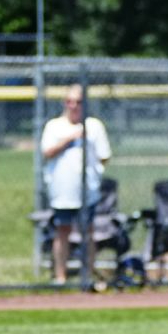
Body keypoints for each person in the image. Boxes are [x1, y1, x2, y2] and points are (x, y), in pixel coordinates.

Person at [40, 86, 113, 286]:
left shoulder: (94, 126)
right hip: (63, 191)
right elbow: (46, 152)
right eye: (70, 101)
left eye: (79, 102)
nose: (73, 106)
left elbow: (104, 156)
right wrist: (70, 138)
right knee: (62, 230)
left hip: (87, 190)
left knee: (88, 231)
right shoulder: (54, 126)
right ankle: (60, 276)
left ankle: (87, 276)